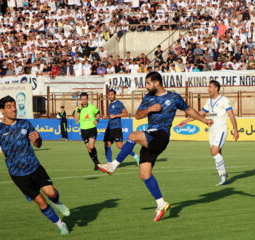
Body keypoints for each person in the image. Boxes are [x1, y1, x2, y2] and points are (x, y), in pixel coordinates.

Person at [98, 72, 213, 222]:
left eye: (147, 83)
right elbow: (138, 115)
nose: (146, 86)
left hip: (161, 136)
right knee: (144, 174)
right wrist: (149, 109)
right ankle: (161, 204)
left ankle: (112, 166)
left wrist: (204, 120)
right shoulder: (148, 98)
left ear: (156, 83)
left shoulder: (174, 97)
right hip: (150, 135)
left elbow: (188, 110)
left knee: (133, 135)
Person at [0, 96, 70, 235]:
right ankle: (60, 224)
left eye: (14, 105)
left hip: (35, 167)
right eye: (9, 106)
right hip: (18, 175)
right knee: (41, 201)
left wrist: (38, 138)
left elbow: (38, 144)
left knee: (51, 193)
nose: (14, 108)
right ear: (2, 111)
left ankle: (56, 202)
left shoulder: (25, 124)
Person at [179, 80, 239, 185]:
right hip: (212, 131)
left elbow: (231, 114)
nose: (208, 89)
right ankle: (223, 177)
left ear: (216, 88)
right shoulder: (209, 101)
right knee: (217, 153)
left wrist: (235, 130)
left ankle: (223, 175)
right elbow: (200, 113)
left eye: (210, 87)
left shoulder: (224, 100)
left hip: (221, 129)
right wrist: (186, 121)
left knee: (214, 152)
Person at [104, 89, 139, 165]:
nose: (110, 96)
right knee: (107, 144)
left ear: (115, 95)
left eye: (111, 94)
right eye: (109, 95)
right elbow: (111, 116)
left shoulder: (119, 103)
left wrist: (115, 115)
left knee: (120, 146)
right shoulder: (110, 105)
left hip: (116, 128)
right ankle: (109, 163)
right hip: (109, 128)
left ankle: (136, 156)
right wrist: (107, 117)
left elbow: (125, 113)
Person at [74, 92, 102, 170]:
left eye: (85, 99)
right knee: (89, 149)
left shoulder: (92, 107)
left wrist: (97, 120)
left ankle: (97, 163)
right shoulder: (78, 108)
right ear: (80, 100)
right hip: (83, 131)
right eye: (82, 99)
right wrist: (79, 110)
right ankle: (96, 163)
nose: (84, 101)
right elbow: (76, 119)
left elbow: (98, 113)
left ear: (87, 99)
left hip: (92, 129)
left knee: (91, 146)